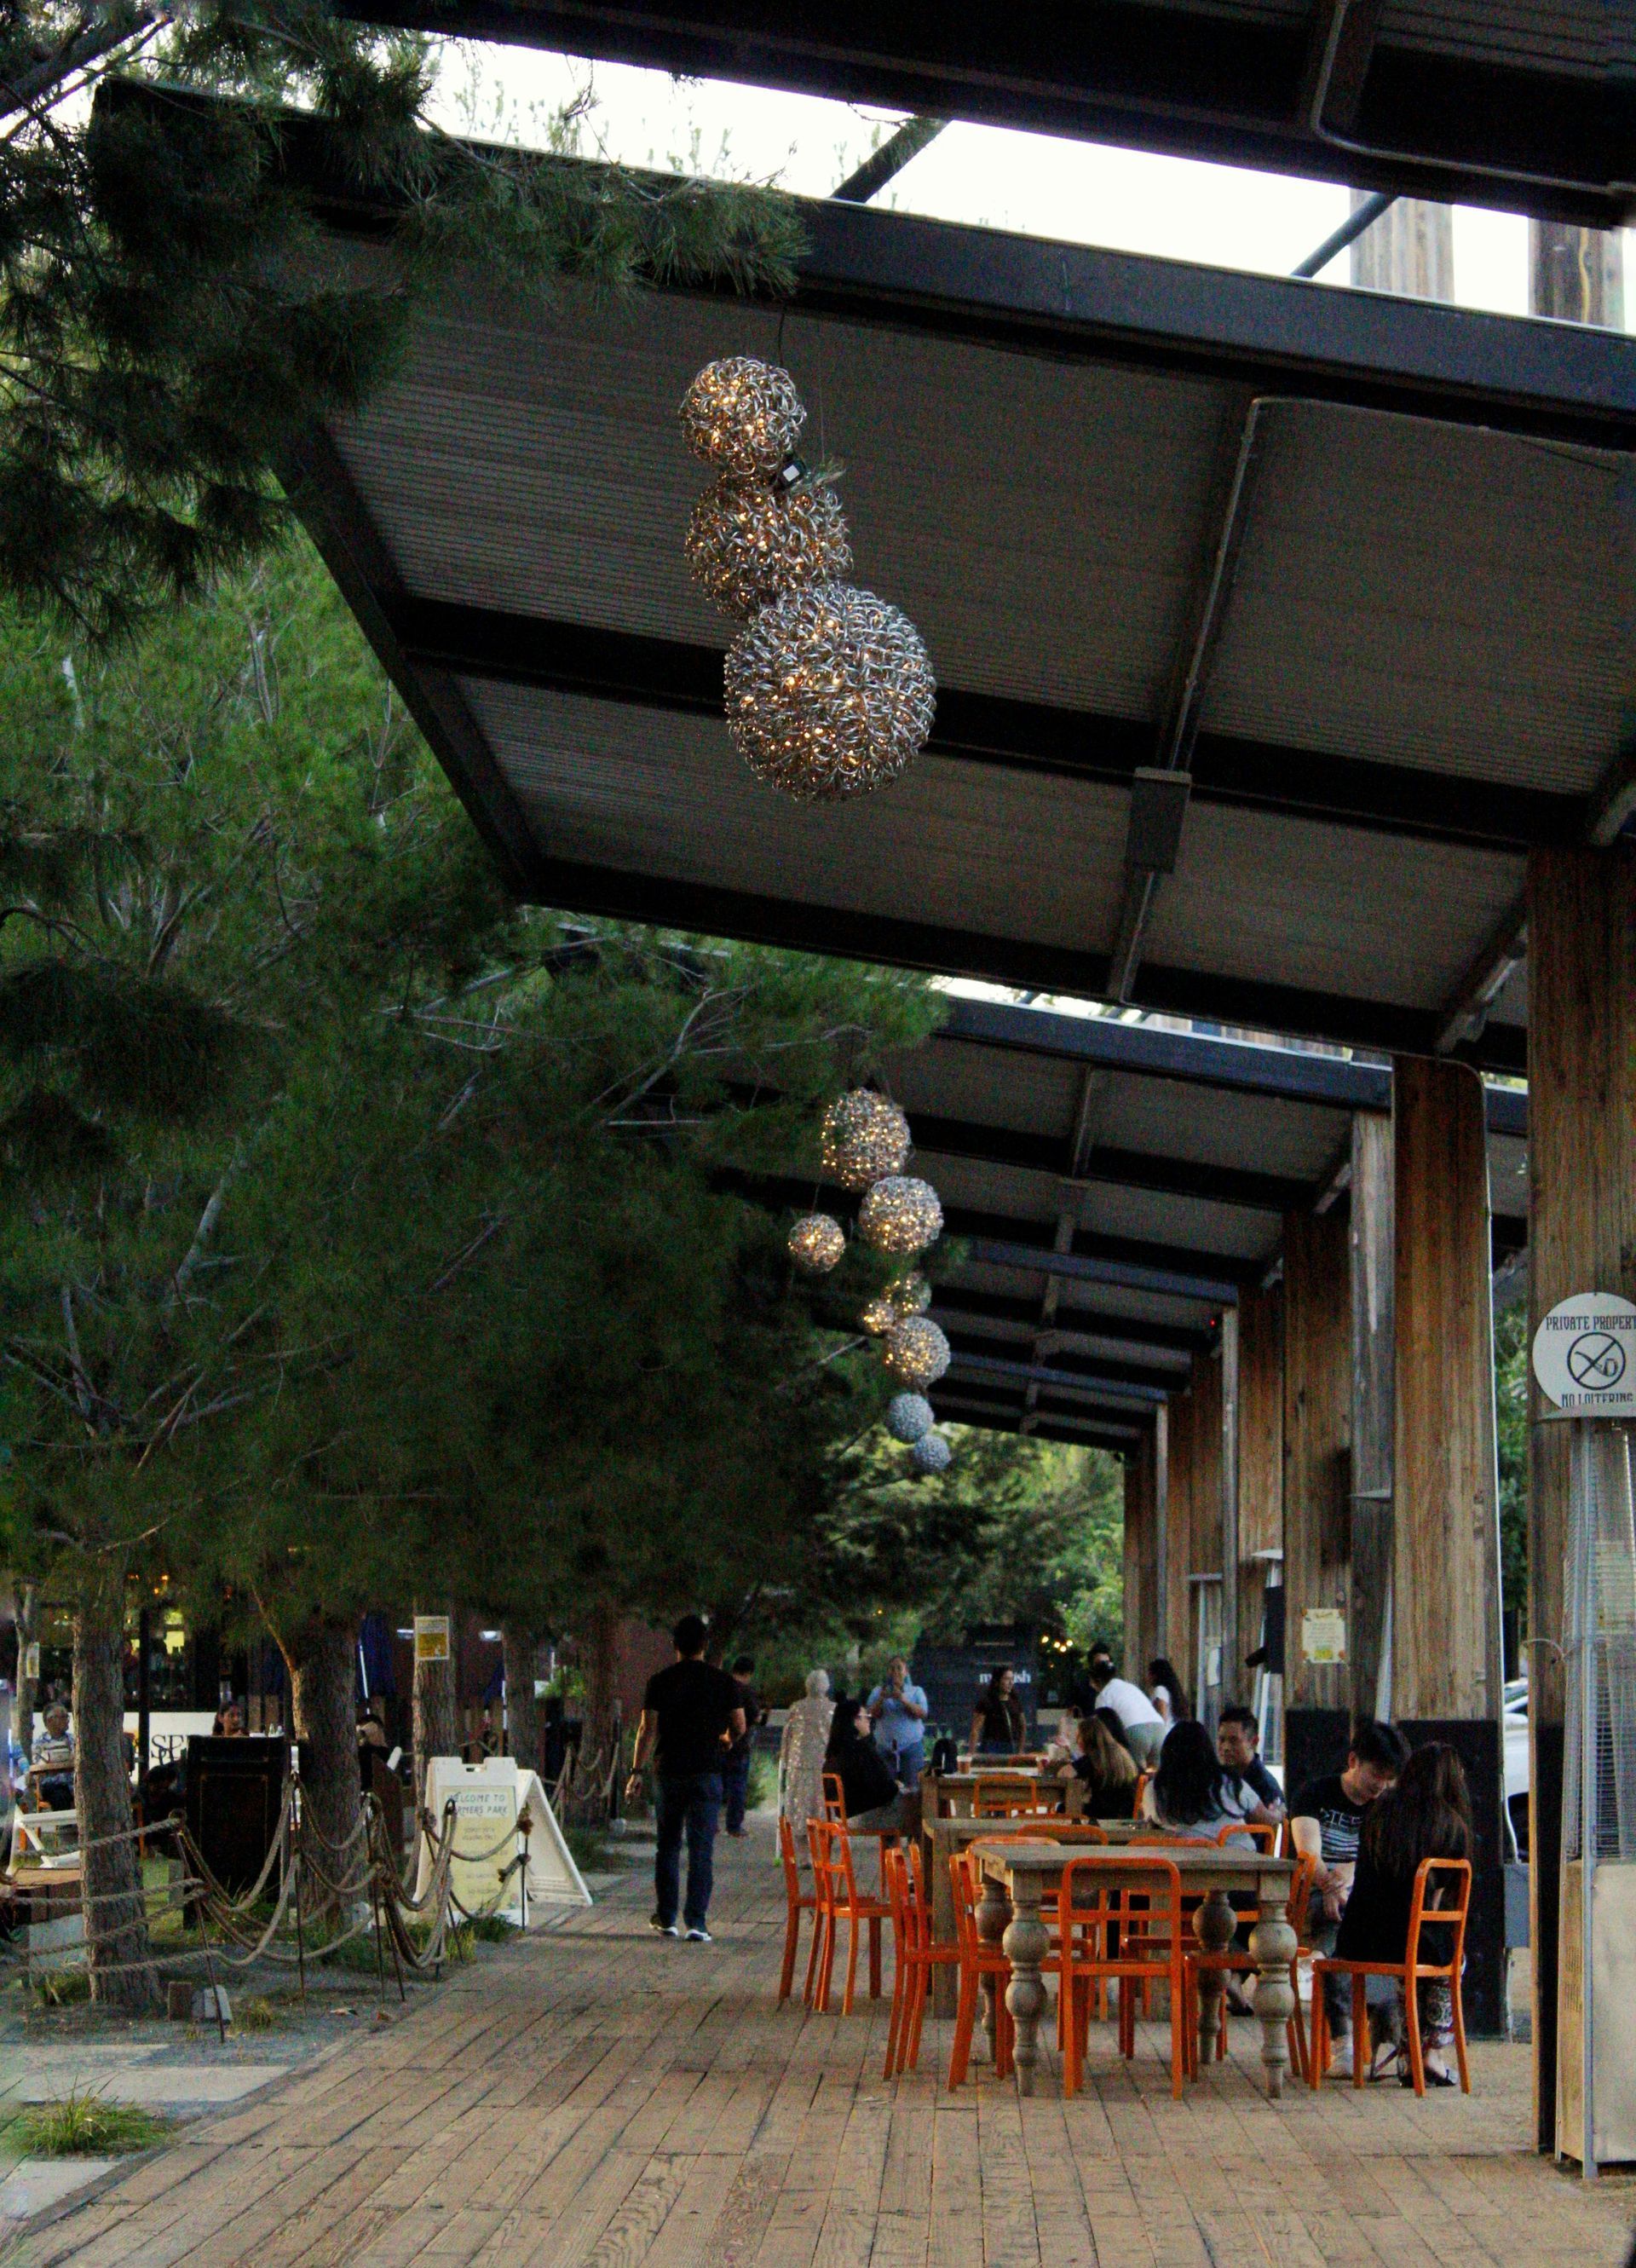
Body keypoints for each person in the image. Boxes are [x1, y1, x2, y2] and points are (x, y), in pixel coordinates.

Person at [1334, 1742, 1474, 2085]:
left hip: (1357, 1939)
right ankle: (1430, 2054)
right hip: (1406, 1940)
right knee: (1448, 1960)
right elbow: (1435, 1905)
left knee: (1413, 1962)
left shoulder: (1378, 1811)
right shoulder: (1450, 1825)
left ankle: (1411, 2055)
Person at [1289, 1719, 1410, 2060]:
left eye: (1390, 1778)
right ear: (1354, 1761)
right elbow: (1308, 1852)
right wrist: (1329, 1885)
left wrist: (1350, 1877)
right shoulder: (1314, 1794)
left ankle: (1343, 2040)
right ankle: (1383, 2023)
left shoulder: (1389, 1806)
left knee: (1347, 1929)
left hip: (1359, 1898)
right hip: (1315, 1896)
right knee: (1342, 1919)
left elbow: (1383, 1858)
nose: (1382, 1785)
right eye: (1377, 1774)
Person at [627, 1614, 744, 1943]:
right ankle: (697, 1922)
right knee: (701, 1848)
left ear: (675, 1645)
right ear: (704, 1646)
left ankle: (666, 1918)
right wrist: (727, 1740)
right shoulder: (723, 1682)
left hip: (669, 1771)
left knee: (667, 1845)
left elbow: (646, 1730)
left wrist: (636, 1771)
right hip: (707, 1771)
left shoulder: (660, 1681)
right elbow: (740, 1724)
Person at [1143, 1719, 1279, 1847]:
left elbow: (1150, 1825)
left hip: (1182, 1867)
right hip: (1238, 1862)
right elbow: (1266, 1819)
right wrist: (1279, 1813)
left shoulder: (1154, 1790)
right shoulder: (1229, 1782)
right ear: (1207, 1751)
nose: (1225, 1747)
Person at [825, 1695, 911, 1829]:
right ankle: (916, 1849)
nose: (869, 1722)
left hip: (843, 1816)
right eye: (867, 1718)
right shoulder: (861, 1751)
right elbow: (884, 1789)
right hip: (863, 1817)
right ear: (855, 1721)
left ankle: (892, 1848)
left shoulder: (834, 1753)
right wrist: (897, 1787)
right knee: (915, 1806)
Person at [777, 1669, 835, 1850]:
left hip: (799, 1764)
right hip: (823, 1765)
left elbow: (787, 1736)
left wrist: (785, 1759)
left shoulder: (797, 1707)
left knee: (800, 1808)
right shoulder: (832, 1709)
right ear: (826, 1686)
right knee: (822, 1808)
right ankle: (822, 1850)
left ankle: (803, 1853)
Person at [1057, 1710, 1139, 1819]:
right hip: (1126, 1813)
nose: (1077, 1742)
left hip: (1101, 1814)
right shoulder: (1121, 1753)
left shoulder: (1093, 1759)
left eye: (1079, 1737)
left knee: (1063, 1808)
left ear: (1087, 1739)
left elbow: (1064, 1774)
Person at [1086, 1658, 1165, 1767]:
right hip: (1159, 1728)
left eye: (1091, 1681)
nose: (1091, 1685)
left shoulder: (1104, 1695)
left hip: (1135, 1731)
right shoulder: (1129, 1687)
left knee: (1135, 1773)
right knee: (1154, 1775)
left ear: (1097, 1680)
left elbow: (1103, 1727)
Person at [867, 1656, 929, 1788]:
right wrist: (881, 1699)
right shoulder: (878, 1691)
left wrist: (903, 1699)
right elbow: (872, 1714)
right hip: (885, 1747)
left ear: (906, 1672)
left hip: (910, 1746)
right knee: (885, 1789)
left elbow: (922, 1713)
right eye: (892, 1668)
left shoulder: (916, 1691)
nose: (895, 1671)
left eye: (899, 1668)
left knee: (912, 1789)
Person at [1217, 1705, 1284, 1820]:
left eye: (1234, 1741)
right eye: (1222, 1740)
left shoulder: (1266, 1786)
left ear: (1254, 1741)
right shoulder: (1218, 1777)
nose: (1226, 1747)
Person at [722, 1655, 761, 1839]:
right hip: (740, 1745)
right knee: (737, 1786)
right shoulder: (746, 1692)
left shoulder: (722, 1687)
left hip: (719, 1743)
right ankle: (734, 1826)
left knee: (717, 1784)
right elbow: (754, 1717)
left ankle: (712, 1824)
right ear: (749, 1673)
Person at [970, 1665, 1026, 1757]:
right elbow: (976, 1729)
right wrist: (972, 1753)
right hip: (991, 1747)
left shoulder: (1015, 1702)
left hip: (1012, 1747)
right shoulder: (986, 1702)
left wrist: (1020, 1751)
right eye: (1007, 1679)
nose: (1011, 1683)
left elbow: (1023, 1726)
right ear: (997, 1681)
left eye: (1012, 1679)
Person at [29, 1703, 75, 1810]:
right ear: (50, 1720)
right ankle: (65, 1826)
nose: (67, 1720)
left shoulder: (73, 1740)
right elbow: (41, 1766)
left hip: (74, 1783)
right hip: (53, 1784)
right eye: (63, 1717)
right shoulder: (40, 1744)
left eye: (67, 1717)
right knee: (60, 1796)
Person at [1147, 1656, 1191, 1727]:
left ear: (1155, 1675)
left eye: (1149, 1674)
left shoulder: (1159, 1690)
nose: (1148, 1677)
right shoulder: (1170, 1691)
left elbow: (1162, 1716)